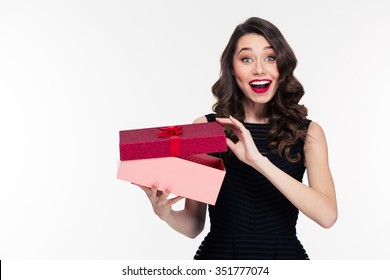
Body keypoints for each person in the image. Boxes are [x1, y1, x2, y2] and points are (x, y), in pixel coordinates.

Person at [138, 17, 337, 260]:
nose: (259, 69)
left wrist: (258, 161)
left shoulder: (308, 133)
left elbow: (327, 216)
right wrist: (165, 213)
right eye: (246, 59)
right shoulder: (205, 129)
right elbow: (193, 225)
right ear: (232, 68)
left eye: (270, 57)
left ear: (282, 66)